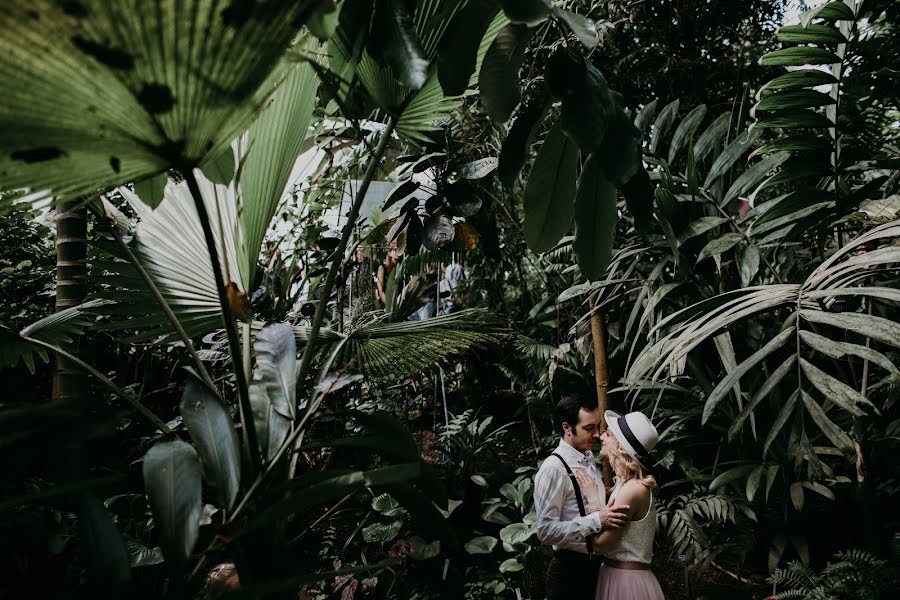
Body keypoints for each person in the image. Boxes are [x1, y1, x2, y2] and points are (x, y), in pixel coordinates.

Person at [534, 395, 631, 600]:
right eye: (589, 428)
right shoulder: (554, 469)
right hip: (570, 571)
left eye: (597, 427)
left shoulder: (586, 457)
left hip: (597, 566)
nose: (597, 434)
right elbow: (544, 530)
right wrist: (596, 520)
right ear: (567, 428)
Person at [575, 410, 665, 600]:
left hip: (626, 583)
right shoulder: (625, 485)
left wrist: (594, 502)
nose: (601, 436)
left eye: (608, 434)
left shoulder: (632, 490)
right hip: (616, 576)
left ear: (619, 445)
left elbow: (600, 546)